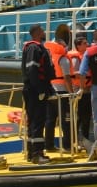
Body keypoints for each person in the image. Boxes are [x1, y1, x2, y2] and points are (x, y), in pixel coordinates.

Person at [21, 25, 56, 163]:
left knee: (34, 121)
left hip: (35, 89)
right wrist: (40, 90)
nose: (44, 32)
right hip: (35, 91)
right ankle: (37, 154)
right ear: (37, 33)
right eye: (42, 31)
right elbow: (32, 71)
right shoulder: (34, 48)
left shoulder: (35, 48)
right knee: (37, 121)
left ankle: (32, 152)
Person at [44, 24, 75, 150]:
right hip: (62, 93)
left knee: (50, 120)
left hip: (51, 91)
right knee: (65, 120)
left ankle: (49, 145)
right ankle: (67, 146)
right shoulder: (63, 59)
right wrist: (72, 93)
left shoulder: (50, 58)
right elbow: (67, 78)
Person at [68, 34, 92, 144]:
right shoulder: (76, 58)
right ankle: (75, 140)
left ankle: (85, 139)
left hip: (88, 91)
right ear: (78, 46)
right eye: (85, 43)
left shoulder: (86, 56)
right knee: (79, 117)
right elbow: (74, 73)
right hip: (80, 92)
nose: (88, 44)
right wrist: (85, 73)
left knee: (86, 117)